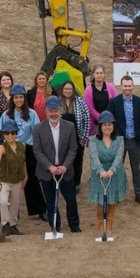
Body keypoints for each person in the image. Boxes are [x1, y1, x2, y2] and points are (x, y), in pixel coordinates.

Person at [32, 96, 81, 233]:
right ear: (46, 111)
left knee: (71, 200)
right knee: (50, 202)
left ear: (60, 111)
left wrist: (65, 166)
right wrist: (50, 166)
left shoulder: (70, 127)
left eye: (56, 111)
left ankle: (74, 225)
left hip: (66, 171)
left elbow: (73, 148)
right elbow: (37, 151)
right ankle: (55, 226)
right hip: (47, 172)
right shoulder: (38, 129)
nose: (53, 114)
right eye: (50, 111)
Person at [0, 84, 45, 221]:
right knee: (11, 179)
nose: (18, 100)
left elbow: (36, 132)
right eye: (16, 97)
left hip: (28, 148)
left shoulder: (31, 113)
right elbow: (2, 132)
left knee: (31, 179)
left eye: (21, 97)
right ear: (12, 99)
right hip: (10, 149)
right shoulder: (6, 114)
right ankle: (13, 212)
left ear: (24, 98)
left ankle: (40, 209)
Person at [88, 110, 127, 233]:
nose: (107, 127)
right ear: (100, 126)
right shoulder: (93, 140)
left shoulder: (119, 140)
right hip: (100, 174)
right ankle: (101, 225)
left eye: (109, 124)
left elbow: (119, 156)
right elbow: (93, 156)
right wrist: (100, 170)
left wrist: (112, 170)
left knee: (112, 200)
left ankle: (109, 225)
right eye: (104, 125)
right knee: (100, 202)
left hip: (115, 174)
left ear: (113, 125)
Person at [110, 75, 140, 206]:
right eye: (125, 86)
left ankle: (138, 194)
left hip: (135, 141)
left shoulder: (139, 101)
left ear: (133, 86)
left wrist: (139, 135)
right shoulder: (114, 102)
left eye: (129, 85)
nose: (127, 88)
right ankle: (117, 195)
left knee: (136, 169)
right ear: (121, 86)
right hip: (120, 141)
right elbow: (111, 122)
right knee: (118, 168)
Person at [0, 118, 28, 236]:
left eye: (12, 133)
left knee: (15, 203)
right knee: (4, 202)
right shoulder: (2, 147)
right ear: (4, 135)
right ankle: (5, 223)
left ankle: (12, 224)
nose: (10, 135)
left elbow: (23, 161)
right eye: (7, 133)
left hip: (17, 179)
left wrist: (26, 175)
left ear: (16, 133)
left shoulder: (22, 145)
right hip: (5, 179)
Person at [58, 80, 90, 191]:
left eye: (70, 89)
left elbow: (87, 119)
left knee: (77, 160)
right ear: (62, 90)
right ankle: (64, 181)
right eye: (66, 89)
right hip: (61, 138)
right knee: (63, 160)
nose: (68, 91)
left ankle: (76, 183)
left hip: (77, 136)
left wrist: (84, 137)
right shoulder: (58, 102)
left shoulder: (80, 102)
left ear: (73, 90)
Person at [85, 65, 118, 137]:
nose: (99, 75)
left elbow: (115, 103)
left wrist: (108, 119)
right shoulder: (88, 90)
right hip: (96, 124)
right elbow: (90, 108)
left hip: (110, 124)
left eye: (101, 73)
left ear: (104, 75)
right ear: (93, 75)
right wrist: (102, 118)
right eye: (97, 73)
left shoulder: (110, 87)